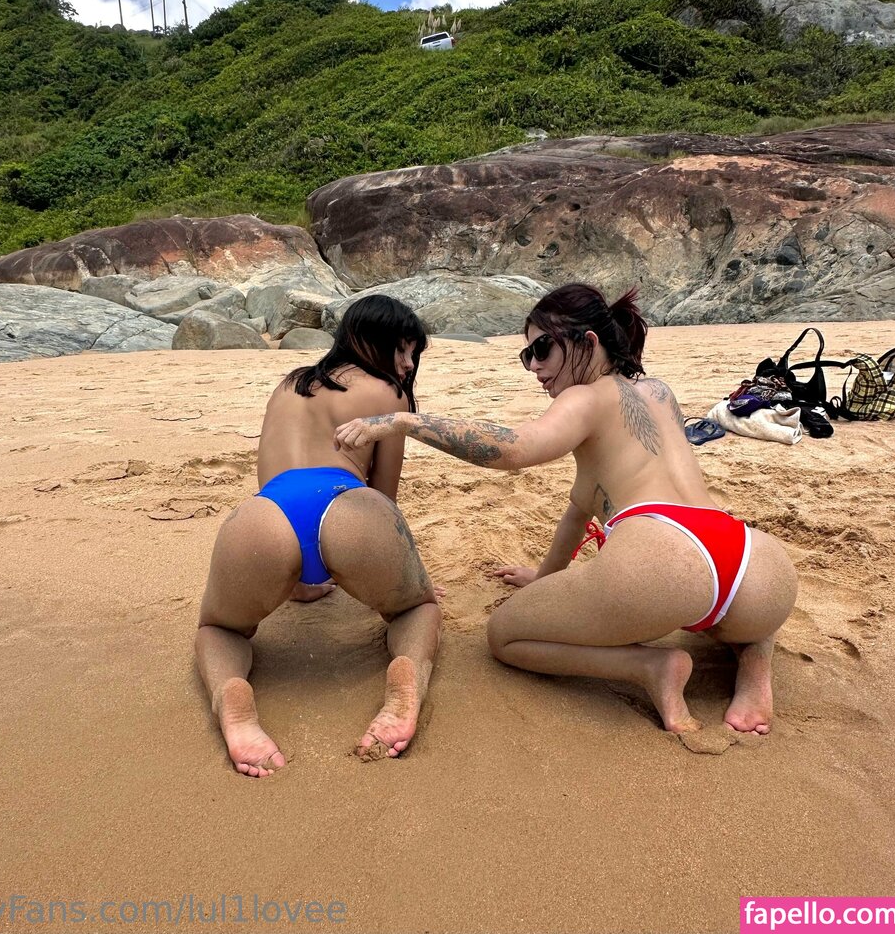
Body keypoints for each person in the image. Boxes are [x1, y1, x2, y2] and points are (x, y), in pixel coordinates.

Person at [335, 283, 797, 737]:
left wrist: (404, 421)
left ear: (587, 342)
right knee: (733, 612)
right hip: (754, 562)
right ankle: (755, 661)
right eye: (527, 356)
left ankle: (650, 667)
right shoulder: (659, 391)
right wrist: (544, 576)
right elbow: (580, 508)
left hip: (663, 558)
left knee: (505, 636)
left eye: (542, 349)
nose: (534, 367)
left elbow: (515, 449)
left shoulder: (585, 396)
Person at [196, 295, 442, 776]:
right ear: (368, 340)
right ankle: (408, 677)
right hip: (348, 505)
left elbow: (266, 475)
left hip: (267, 515)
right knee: (418, 609)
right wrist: (400, 578)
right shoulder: (388, 394)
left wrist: (298, 581)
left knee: (219, 629)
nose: (409, 364)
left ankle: (230, 694)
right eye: (403, 350)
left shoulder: (288, 384)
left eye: (414, 353)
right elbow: (384, 495)